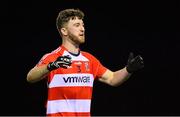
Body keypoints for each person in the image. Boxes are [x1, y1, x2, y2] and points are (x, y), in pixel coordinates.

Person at [26, 8, 144, 117]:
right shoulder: (53, 57)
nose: (82, 29)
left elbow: (112, 79)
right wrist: (52, 66)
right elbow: (30, 77)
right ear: (64, 31)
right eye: (77, 25)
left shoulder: (89, 59)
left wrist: (128, 70)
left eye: (83, 25)